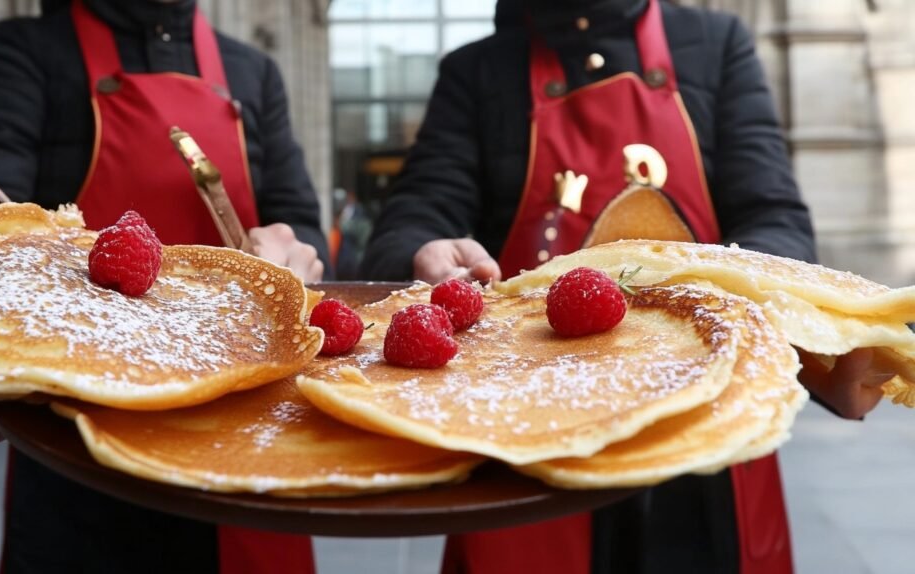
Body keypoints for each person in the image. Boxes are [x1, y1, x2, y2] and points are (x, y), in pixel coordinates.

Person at [360, 1, 891, 573]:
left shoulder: (714, 44)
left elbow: (773, 212)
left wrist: (745, 291)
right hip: (529, 414)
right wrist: (425, 249)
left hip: (700, 402)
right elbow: (417, 211)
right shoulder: (480, 69)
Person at [0, 0, 328, 572]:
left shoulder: (251, 71)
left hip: (246, 434)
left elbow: (300, 219)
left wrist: (296, 253)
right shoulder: (27, 52)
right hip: (82, 441)